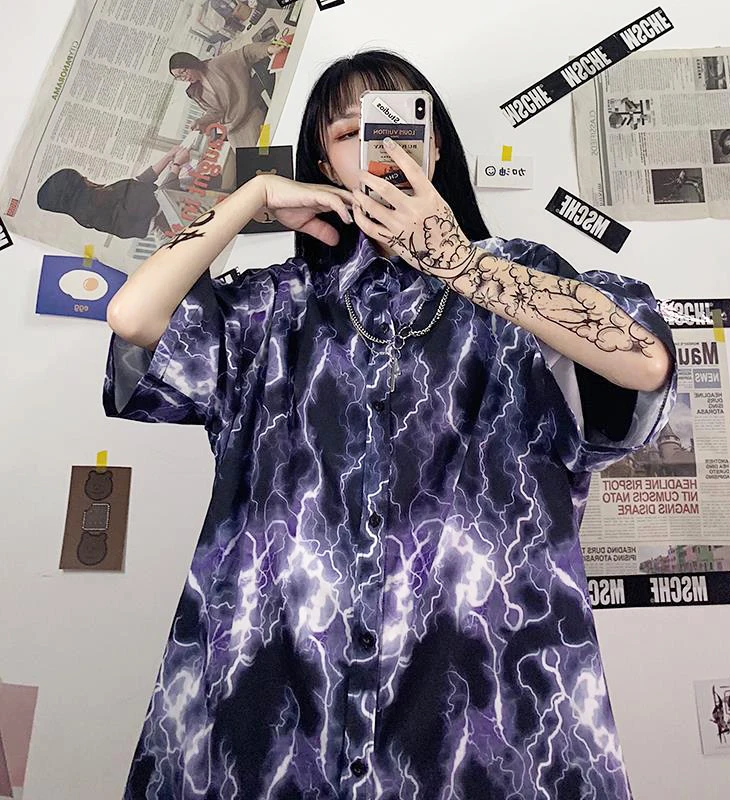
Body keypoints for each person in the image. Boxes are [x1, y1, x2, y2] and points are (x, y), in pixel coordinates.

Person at [104, 49, 676, 800]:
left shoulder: (522, 285)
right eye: (351, 132)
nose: (382, 148)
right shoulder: (275, 307)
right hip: (272, 712)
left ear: (435, 148)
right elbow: (134, 315)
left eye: (403, 125)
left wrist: (458, 263)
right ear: (324, 164)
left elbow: (643, 362)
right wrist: (251, 198)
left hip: (491, 713)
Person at [37, 145, 192, 240]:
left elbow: (138, 181)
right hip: (178, 216)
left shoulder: (103, 201)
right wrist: (176, 165)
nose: (87, 179)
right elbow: (165, 199)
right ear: (82, 192)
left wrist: (168, 157)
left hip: (173, 206)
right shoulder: (108, 209)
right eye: (83, 180)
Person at [169, 43, 281, 148]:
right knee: (249, 160)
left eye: (183, 72)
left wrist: (268, 49)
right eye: (178, 77)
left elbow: (245, 53)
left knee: (264, 151)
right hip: (232, 128)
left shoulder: (216, 65)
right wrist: (200, 121)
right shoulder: (194, 91)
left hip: (249, 114)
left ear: (190, 63)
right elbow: (215, 112)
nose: (183, 78)